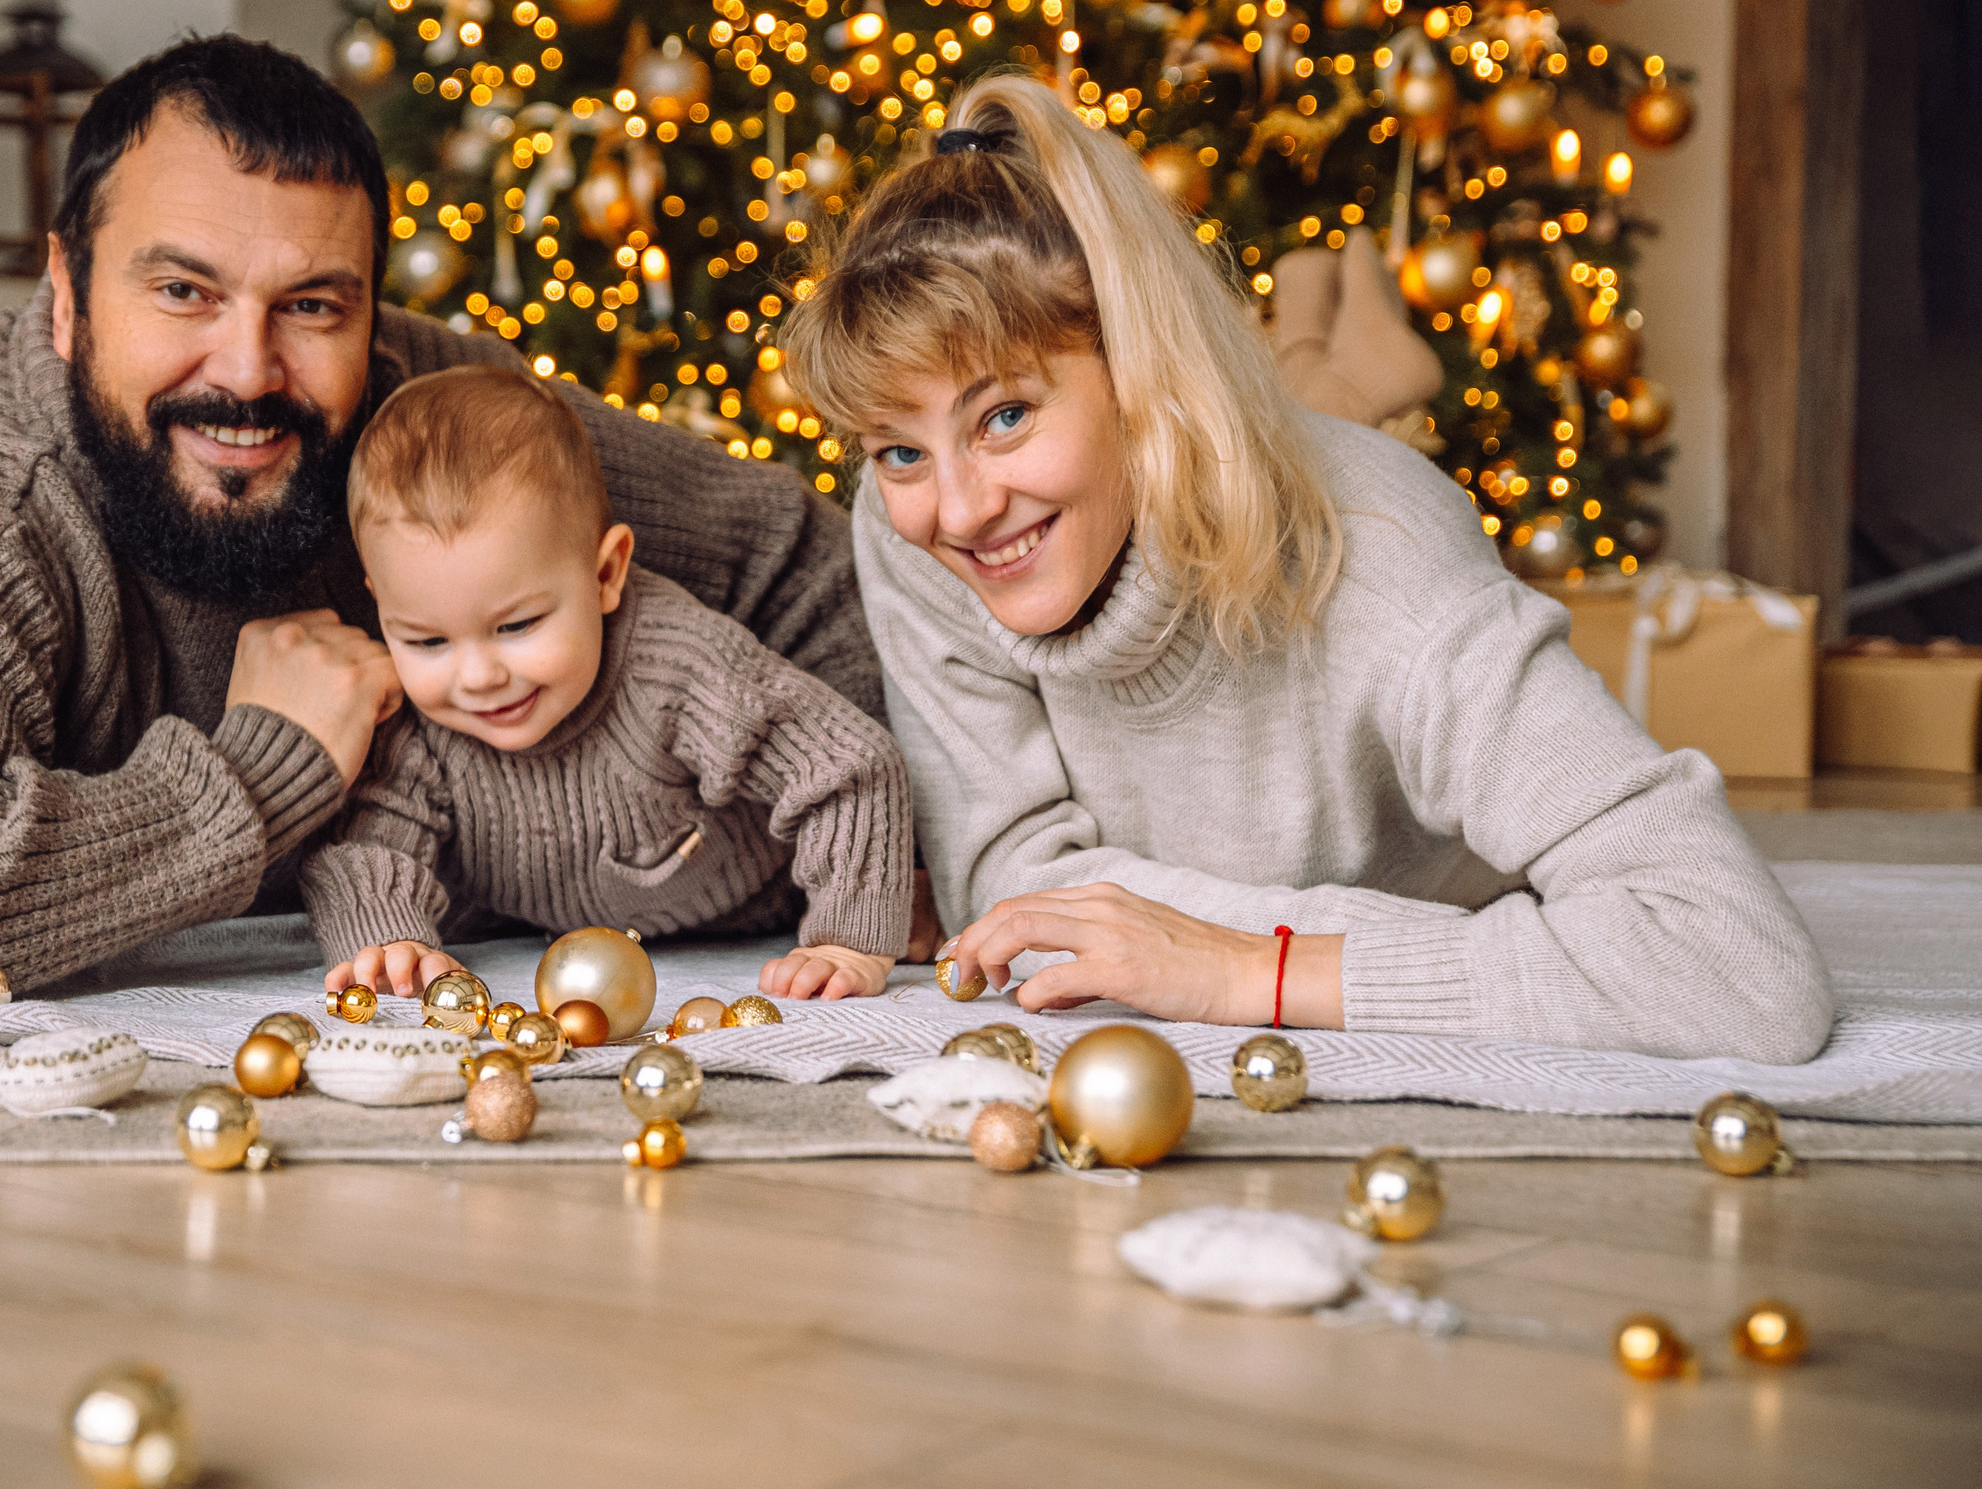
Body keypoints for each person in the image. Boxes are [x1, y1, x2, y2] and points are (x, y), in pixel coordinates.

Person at [0, 37, 885, 1000]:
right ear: (68, 296)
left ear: (369, 311)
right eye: (181, 290)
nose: (247, 371)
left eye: (311, 306)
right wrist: (255, 774)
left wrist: (881, 859)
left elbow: (815, 564)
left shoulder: (429, 418)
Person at [780, 73, 1834, 1064]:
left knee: (1311, 464)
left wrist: (1250, 966)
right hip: (1210, 468)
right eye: (899, 446)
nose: (957, 508)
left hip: (1311, 513)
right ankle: (1333, 365)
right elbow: (1004, 889)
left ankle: (1337, 375)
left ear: (1142, 371)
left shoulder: (1387, 566)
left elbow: (1741, 964)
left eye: (1004, 415)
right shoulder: (909, 522)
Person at [302, 365, 915, 1004]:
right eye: (428, 640)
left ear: (606, 574)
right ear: (381, 607)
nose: (479, 677)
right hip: (552, 932)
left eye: (517, 625)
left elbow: (848, 766)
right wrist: (393, 942)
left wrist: (849, 937)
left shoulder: (677, 664)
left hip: (759, 908)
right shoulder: (416, 719)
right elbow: (365, 846)